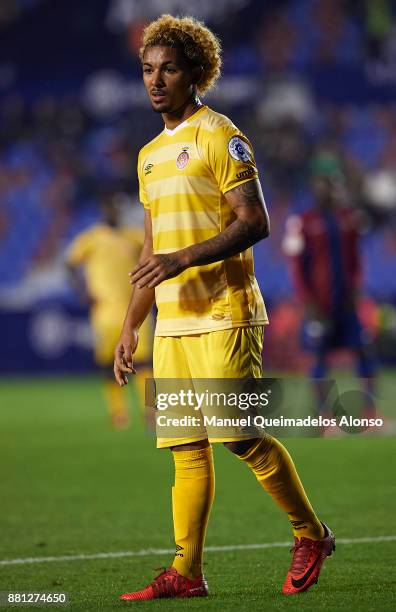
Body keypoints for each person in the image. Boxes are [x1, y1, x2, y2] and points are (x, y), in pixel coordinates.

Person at [113, 14, 335, 599]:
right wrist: (131, 325)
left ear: (196, 73)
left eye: (168, 69)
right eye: (147, 70)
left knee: (237, 435)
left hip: (225, 311)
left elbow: (254, 221)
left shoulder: (220, 134)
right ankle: (186, 572)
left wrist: (183, 260)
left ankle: (310, 532)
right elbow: (150, 249)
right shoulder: (148, 155)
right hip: (173, 322)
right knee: (185, 449)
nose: (155, 81)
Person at [284, 154, 376, 418]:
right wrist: (308, 302)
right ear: (315, 185)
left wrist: (357, 287)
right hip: (319, 305)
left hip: (346, 302)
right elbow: (296, 267)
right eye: (325, 182)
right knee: (319, 358)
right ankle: (324, 418)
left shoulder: (349, 219)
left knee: (364, 352)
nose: (330, 187)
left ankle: (370, 414)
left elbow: (356, 259)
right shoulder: (302, 222)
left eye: (334, 181)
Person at [66, 190, 153, 429]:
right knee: (107, 363)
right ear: (104, 209)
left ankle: (151, 413)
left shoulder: (134, 237)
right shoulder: (91, 239)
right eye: (111, 207)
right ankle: (118, 413)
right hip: (104, 312)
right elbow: (70, 265)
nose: (115, 211)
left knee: (145, 362)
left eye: (118, 207)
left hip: (135, 309)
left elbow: (152, 256)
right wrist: (84, 294)